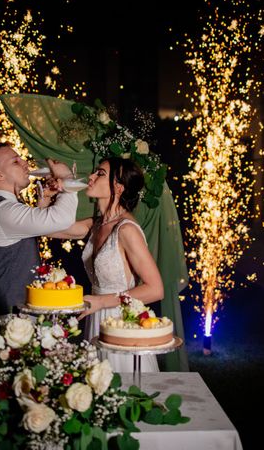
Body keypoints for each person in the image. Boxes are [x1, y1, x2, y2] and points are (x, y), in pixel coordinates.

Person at [49, 157, 164, 372]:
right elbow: (48, 228)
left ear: (118, 187)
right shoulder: (96, 225)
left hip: (121, 321)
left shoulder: (126, 229)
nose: (91, 177)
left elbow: (156, 289)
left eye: (100, 174)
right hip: (96, 317)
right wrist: (46, 198)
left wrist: (103, 302)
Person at [0, 143, 77, 317]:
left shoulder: (7, 207)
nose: (25, 163)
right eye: (15, 161)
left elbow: (56, 225)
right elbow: (61, 219)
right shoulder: (2, 210)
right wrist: (67, 178)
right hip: (8, 319)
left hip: (21, 317)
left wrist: (44, 202)